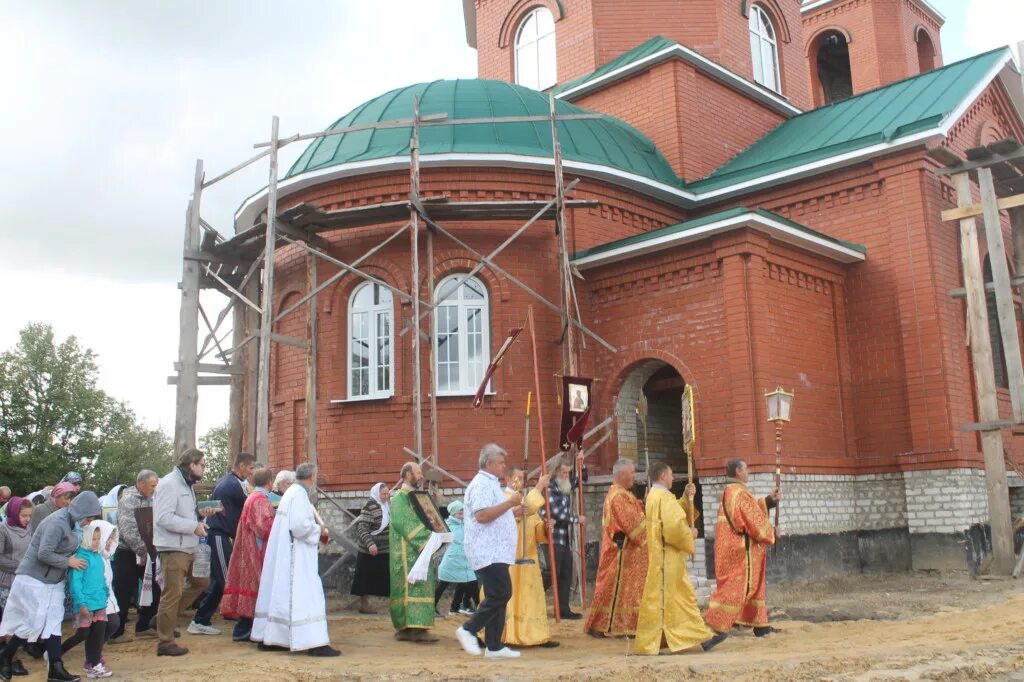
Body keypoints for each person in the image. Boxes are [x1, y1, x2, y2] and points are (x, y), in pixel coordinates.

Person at [0, 490, 102, 682]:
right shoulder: (57, 522)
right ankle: (6, 655)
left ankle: (56, 668)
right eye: (89, 518)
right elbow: (43, 553)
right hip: (34, 579)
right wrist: (68, 562)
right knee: (31, 623)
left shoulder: (72, 523)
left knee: (53, 622)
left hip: (54, 580)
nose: (89, 522)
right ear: (81, 512)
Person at [251, 462, 339, 657]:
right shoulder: (299, 494)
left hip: (286, 554)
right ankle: (315, 642)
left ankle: (277, 639)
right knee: (308, 595)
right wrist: (320, 532)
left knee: (284, 596)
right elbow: (300, 527)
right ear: (312, 477)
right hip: (296, 557)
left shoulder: (291, 492)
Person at [634, 462, 721, 655]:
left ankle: (656, 640)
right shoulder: (664, 497)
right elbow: (673, 528)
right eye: (672, 475)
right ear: (664, 475)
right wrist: (689, 533)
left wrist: (686, 498)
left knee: (666, 601)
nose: (673, 478)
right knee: (682, 599)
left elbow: (672, 516)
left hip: (659, 556)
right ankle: (702, 637)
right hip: (668, 558)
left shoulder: (653, 496)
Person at [455, 443, 522, 659]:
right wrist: (510, 503)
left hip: (496, 549)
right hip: (487, 550)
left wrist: (513, 510)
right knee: (501, 593)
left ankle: (494, 646)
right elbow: (482, 515)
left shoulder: (491, 483)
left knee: (498, 595)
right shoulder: (481, 484)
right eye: (501, 463)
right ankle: (468, 629)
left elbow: (494, 512)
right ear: (489, 463)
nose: (504, 467)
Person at [703, 458, 780, 639]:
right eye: (746, 469)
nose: (749, 472)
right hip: (742, 551)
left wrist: (768, 501)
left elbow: (751, 510)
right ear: (738, 472)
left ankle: (760, 625)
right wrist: (772, 532)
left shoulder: (732, 491)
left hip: (733, 548)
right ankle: (715, 623)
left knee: (751, 586)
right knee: (739, 587)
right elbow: (753, 521)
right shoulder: (739, 493)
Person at [153, 448, 214, 657]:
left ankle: (163, 620)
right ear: (192, 464)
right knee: (173, 593)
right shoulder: (169, 484)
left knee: (201, 582)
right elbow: (163, 518)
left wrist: (201, 517)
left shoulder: (186, 485)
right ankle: (165, 642)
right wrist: (192, 526)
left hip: (188, 545)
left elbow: (185, 514)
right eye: (202, 465)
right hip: (173, 547)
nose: (204, 468)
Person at [192, 452, 256, 635]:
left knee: (223, 578)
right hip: (219, 534)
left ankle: (209, 616)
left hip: (222, 535)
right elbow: (249, 503)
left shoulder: (231, 482)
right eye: (250, 468)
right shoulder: (232, 484)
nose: (251, 472)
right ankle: (201, 619)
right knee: (224, 579)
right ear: (242, 466)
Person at [585, 458, 648, 638]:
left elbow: (634, 511)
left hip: (619, 549)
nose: (634, 476)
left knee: (612, 587)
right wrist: (650, 528)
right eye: (632, 472)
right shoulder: (619, 496)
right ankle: (614, 625)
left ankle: (604, 624)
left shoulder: (619, 493)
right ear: (621, 474)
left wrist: (643, 503)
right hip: (621, 550)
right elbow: (632, 524)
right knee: (617, 588)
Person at [502, 467, 557, 648]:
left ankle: (535, 634)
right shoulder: (504, 499)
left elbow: (536, 529)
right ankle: (507, 634)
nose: (520, 481)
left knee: (532, 597)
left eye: (522, 478)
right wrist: (540, 486)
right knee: (509, 596)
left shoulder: (525, 499)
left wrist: (546, 528)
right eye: (517, 477)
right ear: (507, 478)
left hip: (529, 558)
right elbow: (526, 511)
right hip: (510, 557)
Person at [220, 467, 275, 642]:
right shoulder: (260, 499)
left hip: (249, 548)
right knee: (255, 586)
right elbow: (263, 527)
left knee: (252, 586)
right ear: (269, 482)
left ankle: (245, 628)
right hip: (255, 550)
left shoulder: (253, 497)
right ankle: (243, 629)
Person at [389, 462, 440, 643]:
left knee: (422, 585)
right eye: (418, 473)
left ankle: (419, 628)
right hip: (406, 552)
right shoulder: (399, 498)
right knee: (411, 587)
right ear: (407, 474)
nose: (421, 476)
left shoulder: (418, 497)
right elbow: (402, 522)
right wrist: (428, 539)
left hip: (421, 551)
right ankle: (409, 629)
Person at [64, 520, 119, 678]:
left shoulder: (97, 557)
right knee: (82, 634)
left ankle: (93, 664)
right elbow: (75, 584)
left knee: (99, 634)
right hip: (85, 605)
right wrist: (81, 603)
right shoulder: (80, 558)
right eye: (93, 539)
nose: (96, 542)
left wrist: (106, 593)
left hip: (100, 604)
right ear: (86, 538)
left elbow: (102, 579)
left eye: (98, 539)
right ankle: (56, 653)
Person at [109, 470, 159, 643]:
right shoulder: (128, 499)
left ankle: (144, 625)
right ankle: (116, 632)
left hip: (148, 550)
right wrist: (142, 550)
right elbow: (128, 529)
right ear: (141, 484)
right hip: (127, 552)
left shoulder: (153, 497)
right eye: (153, 485)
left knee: (154, 586)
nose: (155, 488)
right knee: (124, 591)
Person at [537, 453, 586, 620]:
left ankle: (564, 609)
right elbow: (557, 513)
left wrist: (581, 462)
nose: (567, 476)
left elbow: (580, 481)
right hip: (551, 536)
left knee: (566, 572)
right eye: (564, 473)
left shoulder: (563, 486)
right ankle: (532, 595)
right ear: (556, 473)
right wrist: (576, 519)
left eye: (568, 473)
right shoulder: (550, 488)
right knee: (552, 572)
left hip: (563, 538)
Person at [0, 498, 33, 677]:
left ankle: (8, 656)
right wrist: (20, 565)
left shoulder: (28, 529)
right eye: (23, 515)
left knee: (24, 620)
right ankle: (10, 659)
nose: (27, 519)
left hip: (25, 580)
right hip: (6, 582)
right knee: (10, 622)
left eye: (29, 515)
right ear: (13, 513)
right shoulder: (3, 530)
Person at [351, 482, 391, 615]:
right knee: (365, 579)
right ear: (377, 493)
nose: (386, 496)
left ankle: (385, 605)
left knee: (384, 578)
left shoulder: (387, 506)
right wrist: (370, 544)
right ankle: (365, 605)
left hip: (385, 550)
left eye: (387, 493)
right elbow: (362, 528)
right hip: (369, 551)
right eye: (383, 494)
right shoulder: (369, 506)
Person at [435, 501, 477, 617]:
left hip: (464, 560)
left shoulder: (465, 524)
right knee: (443, 584)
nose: (462, 516)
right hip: (451, 560)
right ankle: (431, 607)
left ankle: (455, 608)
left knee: (465, 583)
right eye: (459, 513)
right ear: (453, 514)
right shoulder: (448, 526)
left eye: (463, 513)